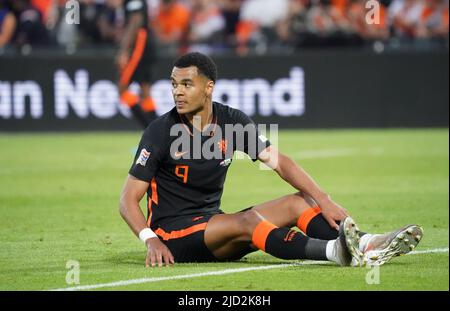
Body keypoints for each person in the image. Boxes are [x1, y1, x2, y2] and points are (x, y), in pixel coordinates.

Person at [119, 52, 423, 267]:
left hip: (214, 226)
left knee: (297, 203)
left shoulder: (231, 121)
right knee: (250, 221)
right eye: (174, 84)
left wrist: (323, 198)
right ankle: (335, 251)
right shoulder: (160, 131)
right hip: (173, 235)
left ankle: (367, 243)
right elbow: (128, 201)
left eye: (187, 84)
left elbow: (280, 162)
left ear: (208, 87)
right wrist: (150, 240)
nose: (177, 92)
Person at [115, 0, 158, 128]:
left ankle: (149, 129)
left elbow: (136, 21)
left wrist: (124, 50)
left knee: (122, 89)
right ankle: (157, 136)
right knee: (145, 91)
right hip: (144, 42)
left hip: (139, 43)